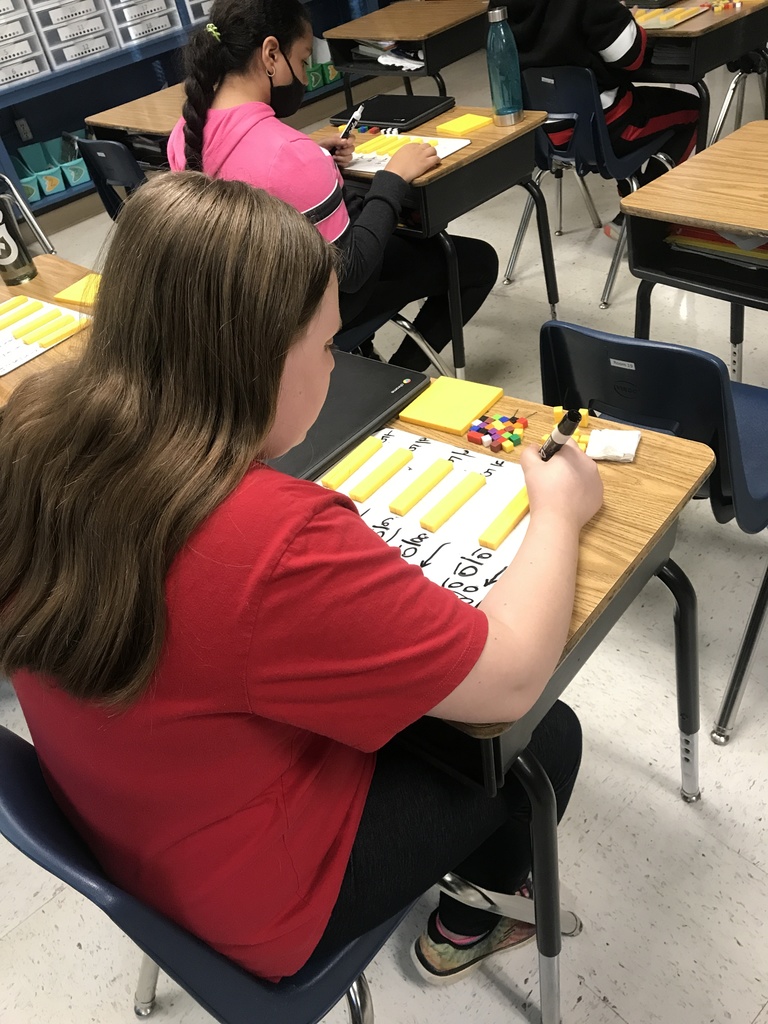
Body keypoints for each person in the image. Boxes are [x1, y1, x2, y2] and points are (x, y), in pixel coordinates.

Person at [1, 173, 602, 986]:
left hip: (124, 823)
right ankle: (466, 926)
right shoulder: (271, 538)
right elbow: (507, 682)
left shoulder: (33, 435)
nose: (334, 364)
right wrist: (559, 512)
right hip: (252, 900)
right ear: (249, 361)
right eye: (325, 346)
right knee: (543, 737)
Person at [166, 0, 499, 372]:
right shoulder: (288, 155)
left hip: (247, 309)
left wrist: (309, 153)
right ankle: (398, 376)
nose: (307, 78)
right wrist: (392, 178)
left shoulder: (184, 134)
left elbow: (255, 165)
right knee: (472, 261)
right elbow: (352, 271)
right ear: (271, 54)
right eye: (305, 61)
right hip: (305, 313)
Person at [500, 0, 699, 236]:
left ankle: (633, 204)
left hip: (541, 134)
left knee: (628, 102)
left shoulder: (500, 5)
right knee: (695, 109)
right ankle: (643, 214)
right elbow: (630, 57)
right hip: (605, 130)